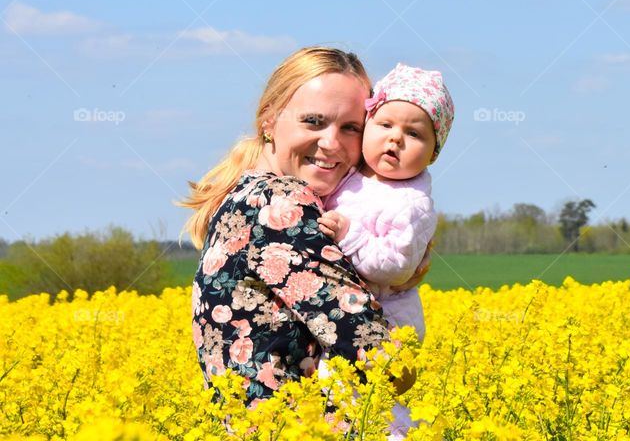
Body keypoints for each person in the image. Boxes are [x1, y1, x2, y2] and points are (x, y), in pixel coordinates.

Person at [179, 47, 414, 408]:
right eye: (314, 122)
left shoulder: (240, 195)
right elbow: (385, 362)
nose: (331, 143)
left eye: (351, 127)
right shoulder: (280, 204)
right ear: (269, 121)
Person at [322, 63, 454, 343]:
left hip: (384, 324)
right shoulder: (349, 174)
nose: (396, 137)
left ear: (433, 155)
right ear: (366, 125)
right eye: (385, 124)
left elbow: (396, 268)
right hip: (344, 313)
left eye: (414, 134)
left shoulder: (411, 203)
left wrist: (348, 235)